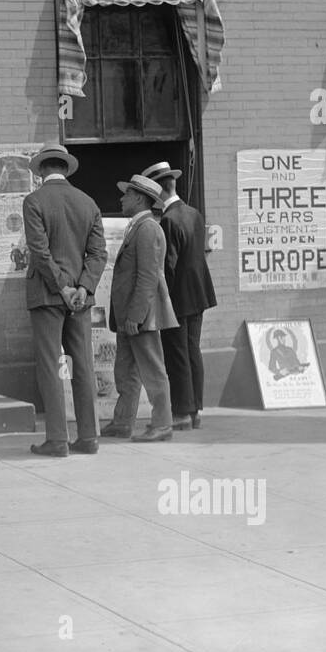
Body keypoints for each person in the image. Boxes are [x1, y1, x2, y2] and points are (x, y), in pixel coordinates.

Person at [21, 143, 108, 457]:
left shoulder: (34, 201)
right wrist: (82, 288)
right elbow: (98, 254)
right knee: (82, 365)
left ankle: (57, 438)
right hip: (80, 299)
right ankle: (88, 436)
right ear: (65, 168)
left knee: (49, 366)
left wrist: (62, 288)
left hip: (48, 295)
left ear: (42, 169)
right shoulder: (88, 203)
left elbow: (40, 252)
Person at [143, 161, 217, 430]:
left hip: (177, 298)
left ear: (159, 191)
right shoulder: (193, 213)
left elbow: (168, 266)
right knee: (192, 350)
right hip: (199, 294)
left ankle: (182, 413)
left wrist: (159, 300)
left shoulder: (168, 221)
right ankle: (196, 410)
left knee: (177, 353)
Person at [108, 173, 178, 442]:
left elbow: (148, 276)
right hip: (130, 315)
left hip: (140, 316)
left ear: (138, 198)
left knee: (152, 370)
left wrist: (135, 316)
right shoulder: (140, 226)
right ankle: (123, 421)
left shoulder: (148, 228)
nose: (122, 199)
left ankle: (162, 424)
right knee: (125, 371)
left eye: (127, 194)